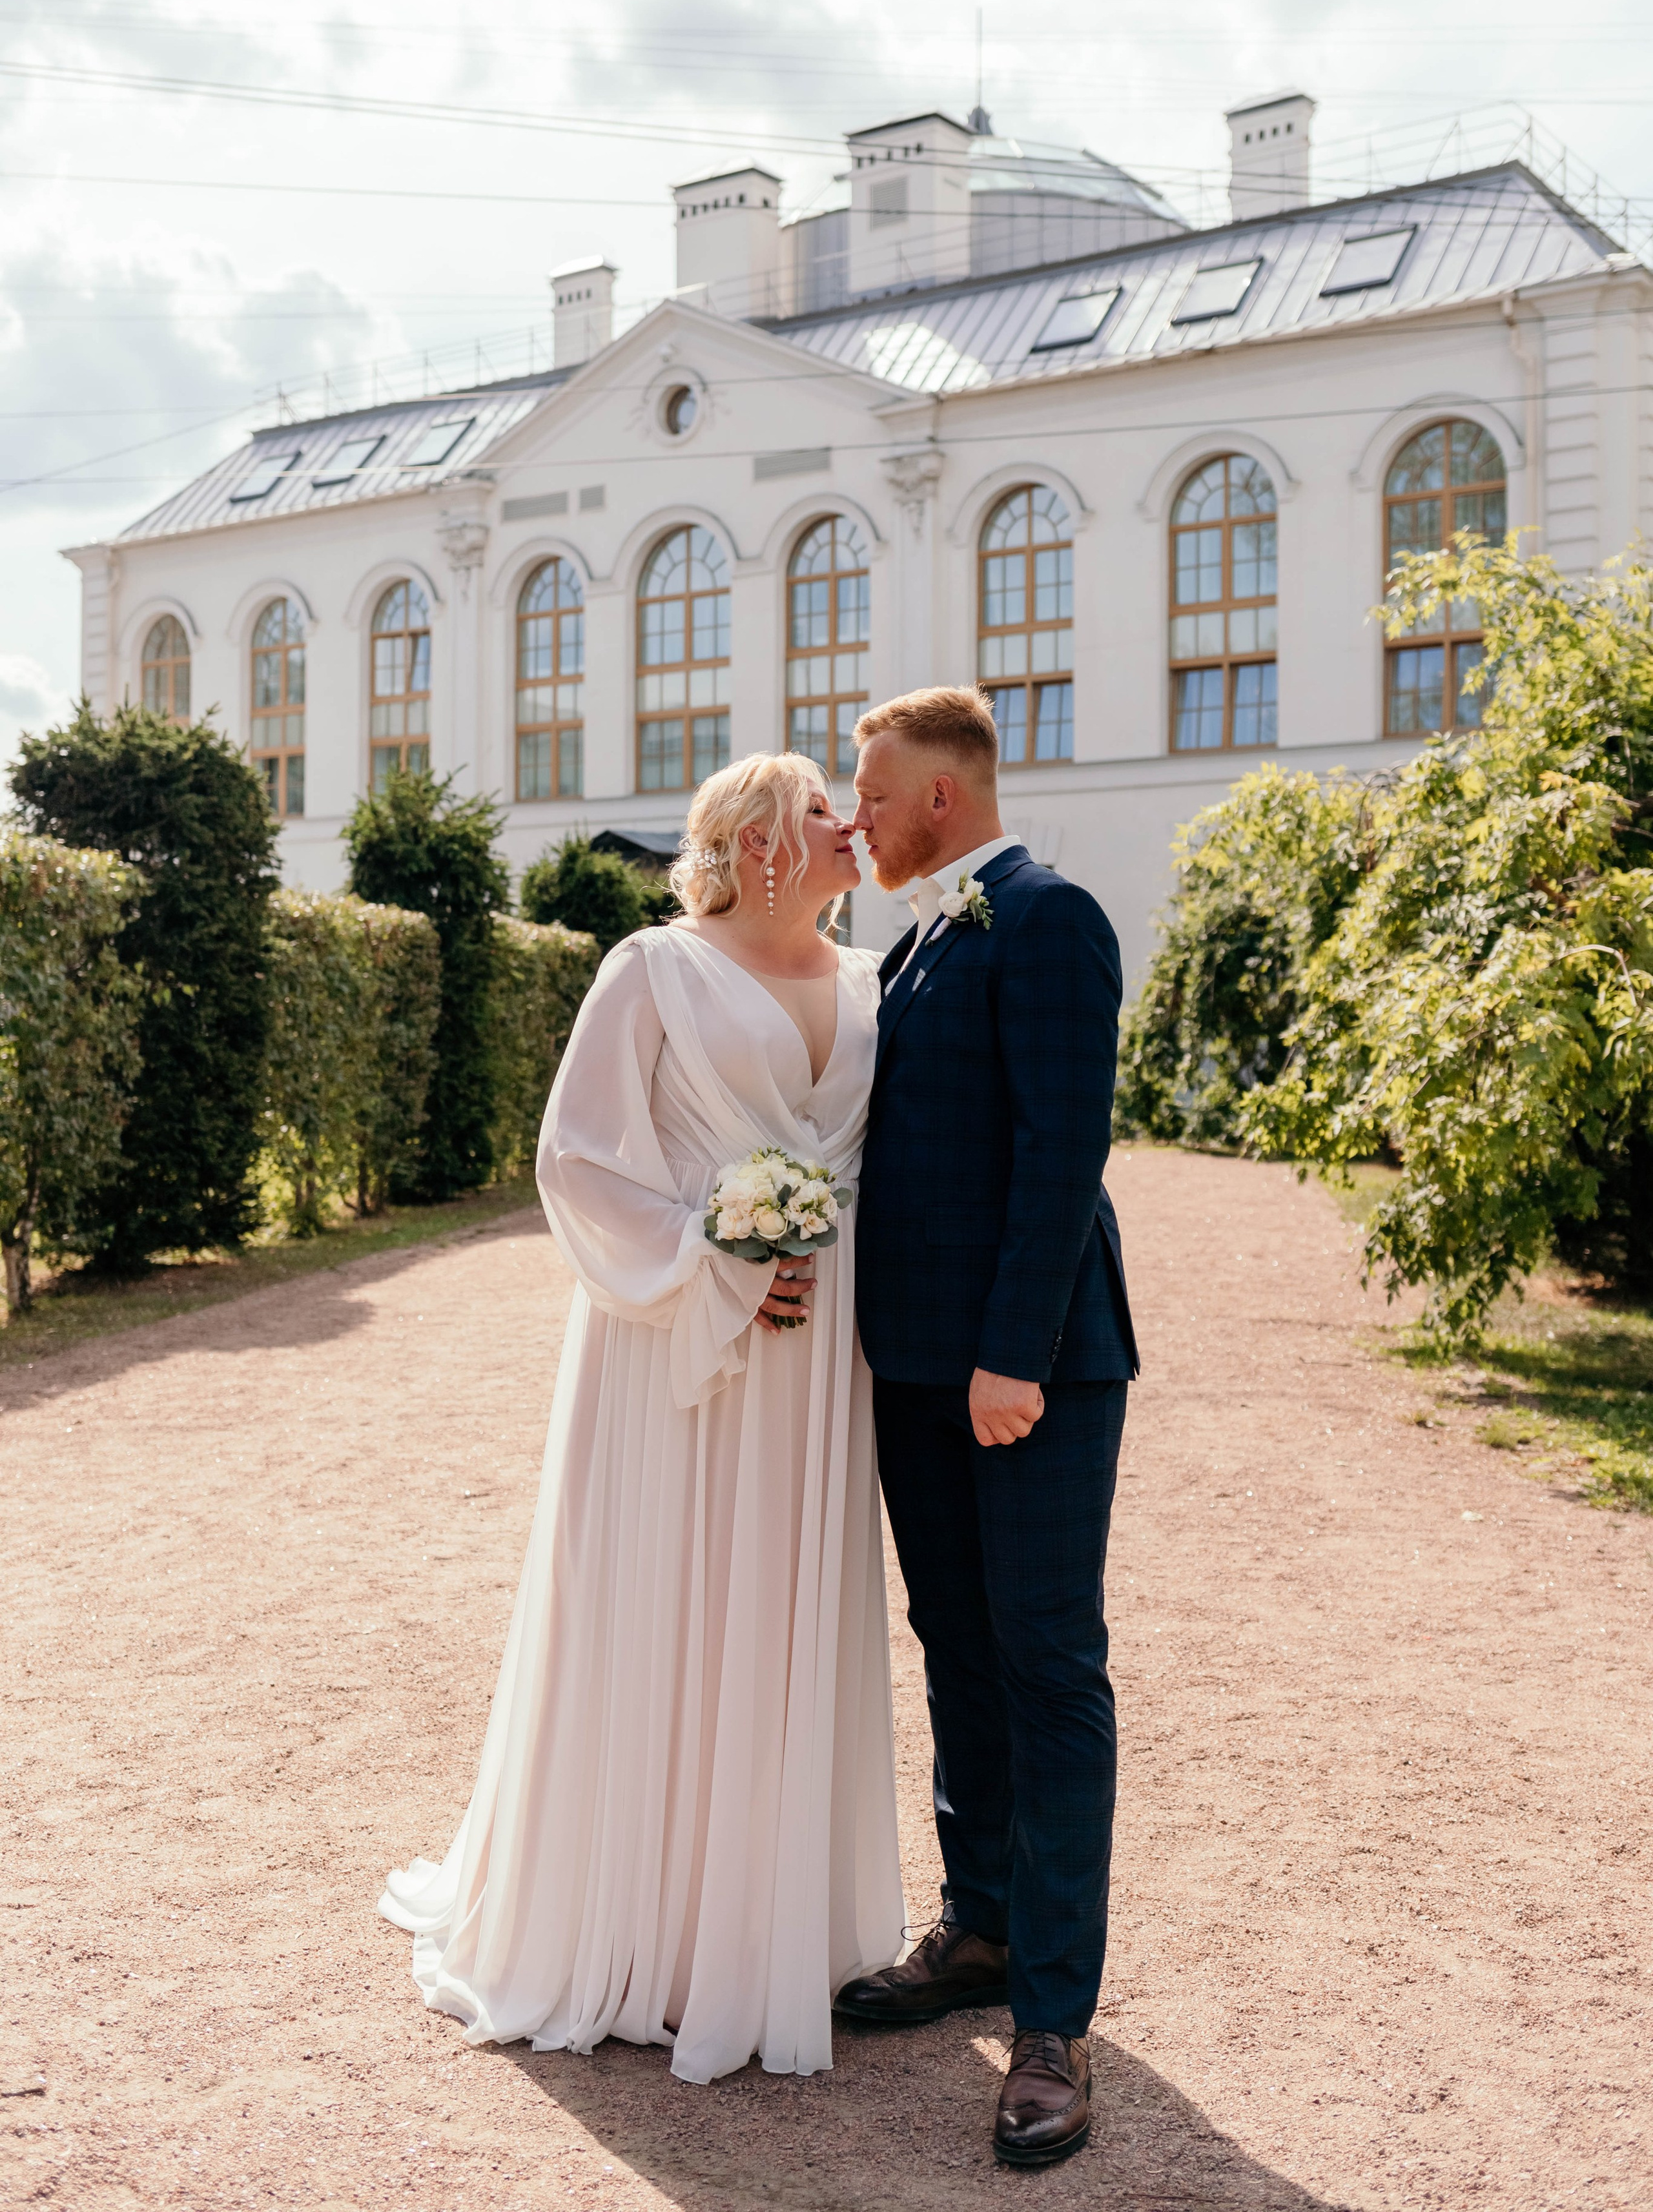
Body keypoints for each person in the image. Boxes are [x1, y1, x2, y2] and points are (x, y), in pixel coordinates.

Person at [379, 753, 905, 2084]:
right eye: (820, 811)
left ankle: (758, 1928)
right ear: (754, 842)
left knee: (778, 1611)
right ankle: (642, 1936)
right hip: (674, 1337)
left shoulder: (864, 981)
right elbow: (581, 1157)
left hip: (811, 1355)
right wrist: (714, 1257)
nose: (851, 826)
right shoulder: (649, 969)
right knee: (663, 1600)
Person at [835, 685, 1138, 2172]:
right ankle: (978, 1927)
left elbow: (1061, 1144)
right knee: (953, 1640)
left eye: (870, 793)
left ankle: (1051, 2024)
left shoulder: (1048, 916)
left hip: (1028, 1376)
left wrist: (1010, 1356)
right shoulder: (908, 942)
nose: (857, 815)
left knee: (1041, 1661)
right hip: (912, 1374)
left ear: (938, 797)